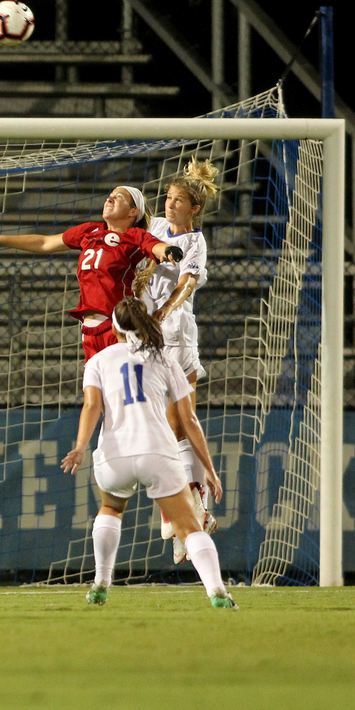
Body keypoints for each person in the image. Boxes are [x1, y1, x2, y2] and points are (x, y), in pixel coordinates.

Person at [60, 297, 236, 609]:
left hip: (115, 454)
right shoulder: (165, 360)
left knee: (110, 509)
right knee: (189, 526)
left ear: (113, 330)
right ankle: (217, 591)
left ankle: (101, 581)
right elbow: (188, 419)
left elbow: (92, 406)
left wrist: (79, 448)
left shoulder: (98, 361)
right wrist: (208, 468)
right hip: (158, 451)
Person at [0, 186, 185, 361]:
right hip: (89, 328)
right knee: (96, 394)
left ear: (133, 211)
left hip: (118, 325)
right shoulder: (89, 231)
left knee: (122, 391)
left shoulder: (133, 235)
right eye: (109, 195)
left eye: (118, 197)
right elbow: (44, 242)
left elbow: (155, 246)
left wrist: (168, 251)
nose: (109, 199)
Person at [135, 159, 222, 562]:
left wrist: (162, 311)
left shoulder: (195, 243)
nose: (170, 205)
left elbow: (186, 284)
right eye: (167, 199)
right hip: (150, 335)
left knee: (178, 422)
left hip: (176, 334)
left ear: (194, 208)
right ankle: (182, 509)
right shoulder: (154, 228)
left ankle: (196, 505)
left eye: (179, 201)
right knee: (159, 426)